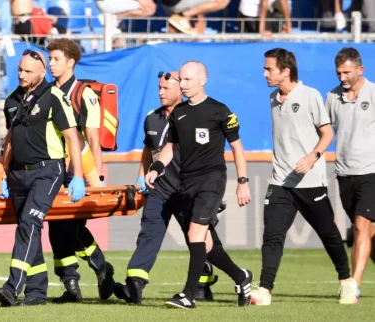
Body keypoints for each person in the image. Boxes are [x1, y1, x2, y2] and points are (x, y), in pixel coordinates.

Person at [249, 48, 357, 306]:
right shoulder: (273, 98)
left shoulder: (310, 95)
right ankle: (265, 290)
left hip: (309, 182)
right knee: (272, 236)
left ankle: (346, 282)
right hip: (280, 182)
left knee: (329, 234)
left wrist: (313, 156)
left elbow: (327, 134)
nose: (265, 73)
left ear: (285, 71)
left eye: (269, 69)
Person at [145, 61, 253, 309]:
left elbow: (237, 148)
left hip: (212, 180)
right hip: (187, 183)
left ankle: (188, 295)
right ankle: (241, 277)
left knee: (195, 233)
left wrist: (243, 182)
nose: (181, 84)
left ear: (202, 80)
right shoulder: (179, 113)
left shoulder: (220, 111)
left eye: (187, 80)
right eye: (180, 80)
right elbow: (170, 148)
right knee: (206, 244)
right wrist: (156, 168)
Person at [113, 71, 221, 304]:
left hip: (187, 190)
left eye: (165, 88)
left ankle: (204, 282)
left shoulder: (194, 116)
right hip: (159, 190)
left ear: (180, 87)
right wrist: (142, 176)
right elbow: (147, 149)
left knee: (200, 238)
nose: (161, 92)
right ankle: (135, 285)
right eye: (159, 88)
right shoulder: (152, 118)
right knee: (148, 234)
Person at [0, 49, 85, 307]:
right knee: (27, 228)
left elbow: (72, 138)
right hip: (17, 174)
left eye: (27, 71)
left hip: (47, 171)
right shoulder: (12, 100)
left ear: (42, 72)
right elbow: (10, 139)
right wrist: (4, 172)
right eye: (19, 70)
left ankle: (12, 287)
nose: (21, 75)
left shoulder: (54, 96)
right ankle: (36, 293)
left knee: (28, 225)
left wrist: (77, 176)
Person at [45, 38, 115, 303]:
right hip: (54, 169)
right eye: (50, 59)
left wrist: (95, 179)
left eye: (56, 59)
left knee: (71, 228)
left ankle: (100, 267)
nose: (51, 64)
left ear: (71, 62)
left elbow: (93, 140)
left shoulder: (84, 94)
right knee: (56, 228)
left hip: (79, 170)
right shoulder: (48, 92)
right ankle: (71, 285)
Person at [326, 47, 375, 299]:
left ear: (360, 69)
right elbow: (324, 131)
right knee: (367, 232)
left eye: (346, 72)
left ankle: (352, 286)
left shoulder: (374, 92)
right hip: (344, 173)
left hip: (371, 172)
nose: (342, 77)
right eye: (338, 72)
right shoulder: (332, 97)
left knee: (361, 225)